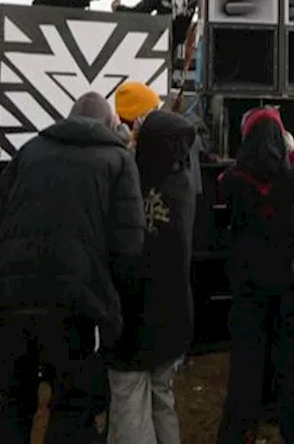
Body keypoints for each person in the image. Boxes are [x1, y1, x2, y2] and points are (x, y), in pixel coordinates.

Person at [0, 92, 145, 444]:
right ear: (110, 124)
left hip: (11, 301)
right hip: (73, 305)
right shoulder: (118, 159)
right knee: (72, 406)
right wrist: (113, 309)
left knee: (14, 404)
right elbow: (128, 245)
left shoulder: (31, 151)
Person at [215, 107, 294, 444]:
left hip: (248, 286)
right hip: (291, 286)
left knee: (246, 365)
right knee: (291, 364)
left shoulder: (232, 181)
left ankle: (239, 430)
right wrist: (292, 150)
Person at [103, 111, 198, 444]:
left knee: (129, 399)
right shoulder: (183, 183)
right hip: (174, 313)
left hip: (134, 314)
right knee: (162, 398)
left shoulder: (131, 183)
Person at [113, 0, 201, 89]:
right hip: (181, 45)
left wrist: (119, 8)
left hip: (159, 42)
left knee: (156, 83)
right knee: (176, 85)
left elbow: (140, 12)